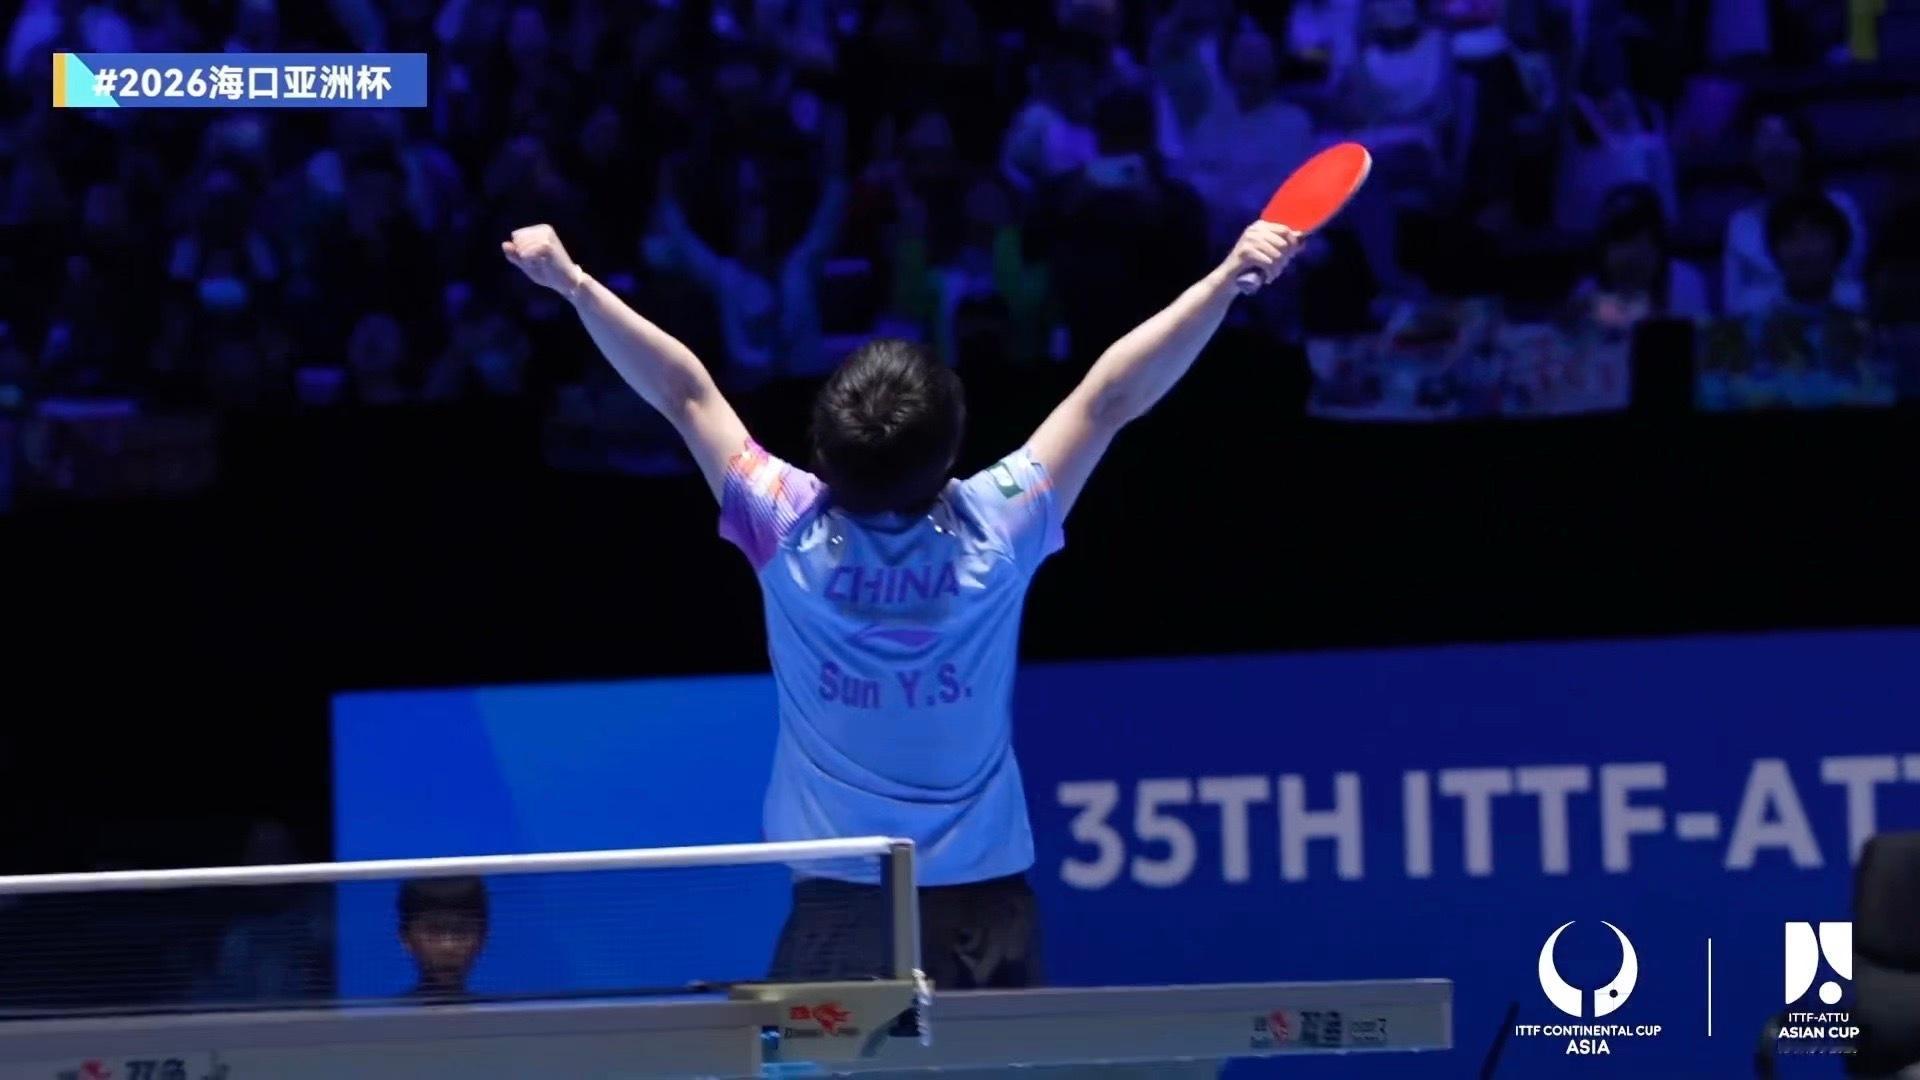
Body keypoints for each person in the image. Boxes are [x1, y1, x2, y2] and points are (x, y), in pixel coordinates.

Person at [501, 215, 1302, 989]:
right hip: (985, 906)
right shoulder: (997, 526)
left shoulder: (785, 524)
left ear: (822, 455)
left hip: (842, 904)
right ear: (951, 455)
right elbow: (1109, 398)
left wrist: (574, 284)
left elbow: (684, 394)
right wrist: (1226, 279)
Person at [1722, 112, 1868, 317]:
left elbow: (1853, 277)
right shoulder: (1740, 223)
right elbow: (1733, 304)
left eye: (1784, 137)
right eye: (1765, 139)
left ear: (1804, 148)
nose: (1775, 149)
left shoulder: (1841, 207)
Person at [398, 876, 489, 999]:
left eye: (460, 931)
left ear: (481, 938)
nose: (448, 947)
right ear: (406, 938)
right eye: (434, 931)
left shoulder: (506, 1011)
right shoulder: (379, 1011)